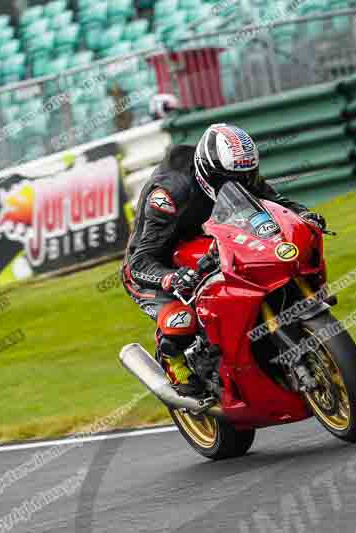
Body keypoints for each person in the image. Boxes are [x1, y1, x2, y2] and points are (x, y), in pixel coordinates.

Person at [121, 123, 326, 396]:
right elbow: (141, 262)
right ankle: (173, 360)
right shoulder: (168, 195)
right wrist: (171, 277)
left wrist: (305, 216)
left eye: (244, 176)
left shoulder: (241, 174)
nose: (238, 184)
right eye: (228, 178)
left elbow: (278, 204)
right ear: (207, 171)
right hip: (157, 264)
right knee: (181, 320)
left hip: (215, 242)